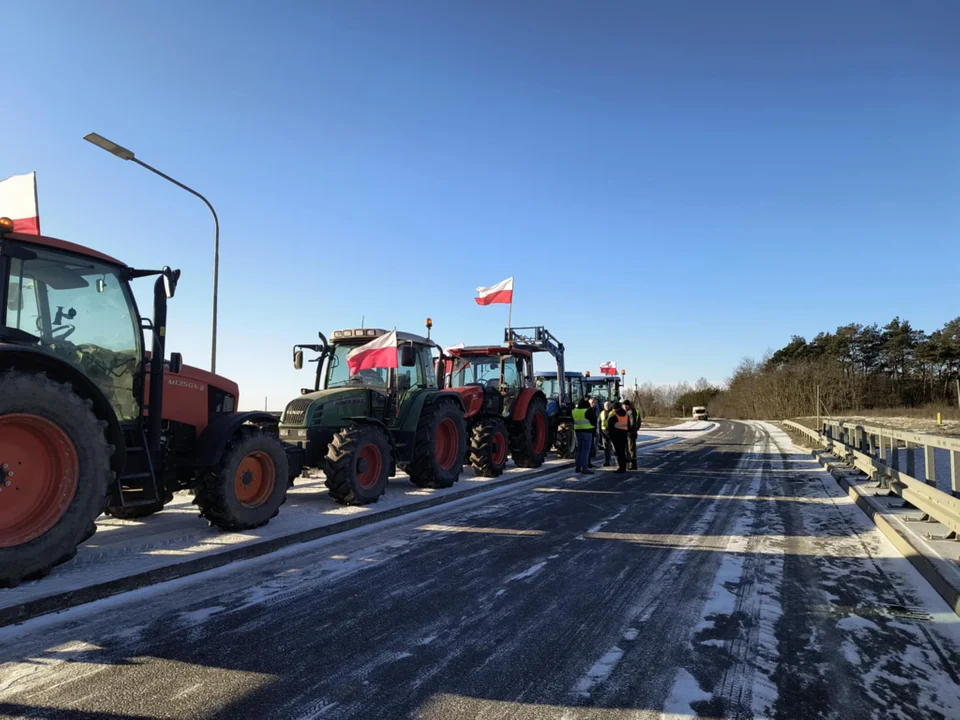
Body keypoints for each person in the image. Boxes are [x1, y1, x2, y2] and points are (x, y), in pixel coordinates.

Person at [572, 398, 597, 474]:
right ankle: (584, 468)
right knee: (585, 451)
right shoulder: (588, 410)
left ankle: (578, 467)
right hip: (587, 432)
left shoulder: (574, 411)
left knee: (579, 450)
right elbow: (594, 421)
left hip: (577, 432)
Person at [605, 400, 630, 473]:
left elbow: (610, 426)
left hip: (616, 435)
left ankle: (621, 467)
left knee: (618, 452)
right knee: (622, 451)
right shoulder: (625, 414)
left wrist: (609, 434)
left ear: (613, 408)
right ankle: (623, 466)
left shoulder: (614, 415)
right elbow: (628, 425)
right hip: (624, 434)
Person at [622, 398, 641, 470]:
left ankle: (633, 464)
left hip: (630, 433)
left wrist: (629, 430)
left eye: (624, 405)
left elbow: (632, 423)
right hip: (632, 432)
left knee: (631, 449)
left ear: (627, 405)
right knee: (631, 449)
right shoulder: (633, 411)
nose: (623, 407)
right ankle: (632, 463)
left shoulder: (630, 412)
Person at [587, 396, 601, 467]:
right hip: (588, 431)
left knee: (591, 447)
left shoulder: (595, 410)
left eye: (594, 403)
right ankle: (586, 463)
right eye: (592, 403)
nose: (594, 404)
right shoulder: (588, 411)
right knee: (587, 448)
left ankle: (589, 463)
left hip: (592, 431)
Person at [599, 401, 613, 467]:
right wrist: (599, 432)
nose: (607, 407)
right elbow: (599, 422)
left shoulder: (613, 412)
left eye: (608, 405)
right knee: (606, 448)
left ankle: (618, 461)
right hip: (604, 433)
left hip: (612, 432)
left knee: (614, 448)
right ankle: (607, 462)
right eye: (606, 406)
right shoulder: (602, 413)